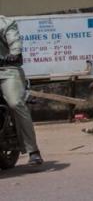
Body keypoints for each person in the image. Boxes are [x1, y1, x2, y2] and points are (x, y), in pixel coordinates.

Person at [0, 15, 43, 165]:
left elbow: (14, 40)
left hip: (6, 69)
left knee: (15, 103)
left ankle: (33, 150)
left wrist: (14, 53)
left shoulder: (5, 23)